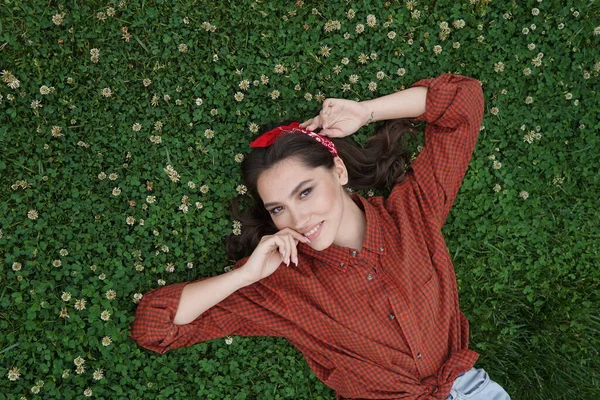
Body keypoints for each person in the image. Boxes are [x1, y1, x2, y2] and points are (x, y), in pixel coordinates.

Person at [130, 73, 511, 399]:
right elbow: (154, 326)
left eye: (305, 191)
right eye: (278, 208)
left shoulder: (413, 212)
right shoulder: (281, 284)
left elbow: (464, 99)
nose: (298, 218)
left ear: (339, 172)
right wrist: (243, 277)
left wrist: (367, 111)